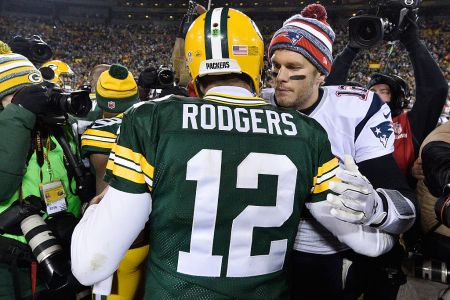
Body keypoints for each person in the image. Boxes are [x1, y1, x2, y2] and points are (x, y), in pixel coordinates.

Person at [71, 8, 394, 299]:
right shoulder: (305, 132)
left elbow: (90, 266)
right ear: (256, 61)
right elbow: (368, 243)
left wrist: (94, 211)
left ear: (195, 63)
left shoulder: (151, 119)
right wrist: (391, 231)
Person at [266, 4, 417, 299]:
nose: (280, 76)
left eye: (294, 67)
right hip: (265, 249)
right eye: (275, 66)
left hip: (328, 255)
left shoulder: (356, 110)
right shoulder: (258, 106)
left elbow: (407, 208)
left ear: (322, 73)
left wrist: (376, 207)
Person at [0, 41, 89, 299]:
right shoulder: (14, 123)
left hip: (63, 252)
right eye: (20, 96)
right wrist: (18, 117)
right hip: (11, 265)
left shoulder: (56, 128)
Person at [326, 11, 448, 184]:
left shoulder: (410, 124)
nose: (375, 95)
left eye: (384, 91)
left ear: (397, 99)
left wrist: (411, 41)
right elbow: (327, 92)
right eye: (372, 91)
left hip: (400, 202)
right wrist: (351, 48)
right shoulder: (351, 124)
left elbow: (435, 90)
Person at [80, 64, 148, 299]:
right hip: (146, 232)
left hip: (112, 233)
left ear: (98, 97)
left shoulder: (93, 133)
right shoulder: (151, 127)